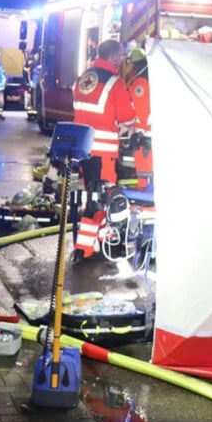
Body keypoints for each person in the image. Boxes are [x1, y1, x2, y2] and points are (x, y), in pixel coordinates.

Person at [71, 39, 137, 261]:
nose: (121, 61)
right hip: (103, 150)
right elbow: (127, 117)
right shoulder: (114, 82)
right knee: (100, 198)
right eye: (120, 57)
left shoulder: (83, 78)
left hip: (83, 149)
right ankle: (84, 249)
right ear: (114, 56)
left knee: (92, 195)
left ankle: (98, 242)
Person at [123, 47, 153, 188]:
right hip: (150, 135)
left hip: (144, 138)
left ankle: (145, 200)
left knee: (144, 173)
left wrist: (133, 127)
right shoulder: (153, 79)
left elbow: (141, 111)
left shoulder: (139, 83)